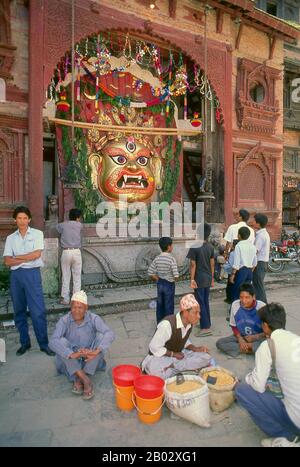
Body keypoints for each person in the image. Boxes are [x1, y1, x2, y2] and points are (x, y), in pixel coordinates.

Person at [235, 303, 300, 448]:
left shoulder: (267, 346)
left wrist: (246, 378)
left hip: (297, 420)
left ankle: (287, 436)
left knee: (242, 390)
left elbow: (257, 385)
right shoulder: (295, 338)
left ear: (265, 325)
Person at [3, 206, 54, 356]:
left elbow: (36, 254)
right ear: (15, 220)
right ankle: (24, 343)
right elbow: (7, 261)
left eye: (25, 218)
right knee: (19, 311)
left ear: (29, 219)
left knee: (37, 311)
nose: (22, 221)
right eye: (19, 218)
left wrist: (17, 257)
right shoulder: (11, 238)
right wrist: (25, 257)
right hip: (16, 277)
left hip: (32, 274)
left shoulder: (37, 234)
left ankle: (44, 344)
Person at [49, 290, 115, 400]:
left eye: (80, 308)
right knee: (61, 342)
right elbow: (52, 341)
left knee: (100, 337)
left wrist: (95, 351)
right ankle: (86, 379)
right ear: (70, 308)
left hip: (89, 358)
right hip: (72, 358)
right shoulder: (64, 320)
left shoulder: (93, 318)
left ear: (86, 308)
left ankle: (79, 378)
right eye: (74, 307)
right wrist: (70, 354)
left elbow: (110, 333)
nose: (76, 311)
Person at [141, 294, 215, 380]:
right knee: (157, 374)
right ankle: (179, 369)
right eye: (195, 313)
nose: (199, 316)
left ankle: (175, 368)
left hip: (178, 355)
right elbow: (154, 347)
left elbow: (183, 339)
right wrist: (173, 354)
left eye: (199, 313)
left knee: (206, 357)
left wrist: (194, 348)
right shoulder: (167, 325)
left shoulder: (189, 323)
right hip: (160, 357)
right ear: (185, 312)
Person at [216, 283, 266, 357]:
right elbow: (234, 326)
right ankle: (251, 349)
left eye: (247, 297)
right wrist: (240, 339)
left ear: (254, 297)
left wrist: (255, 337)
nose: (243, 300)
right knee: (220, 343)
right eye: (241, 297)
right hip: (242, 336)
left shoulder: (262, 306)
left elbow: (270, 330)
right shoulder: (235, 305)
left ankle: (247, 348)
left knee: (269, 343)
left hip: (258, 337)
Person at [187, 223, 215, 337]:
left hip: (199, 278)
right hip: (208, 278)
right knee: (205, 301)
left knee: (200, 302)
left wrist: (192, 279)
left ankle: (205, 327)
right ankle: (206, 322)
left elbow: (193, 265)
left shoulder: (194, 246)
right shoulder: (210, 247)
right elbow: (212, 264)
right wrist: (212, 279)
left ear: (198, 233)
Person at [148, 237, 179, 323]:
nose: (172, 247)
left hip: (160, 283)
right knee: (169, 305)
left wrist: (157, 278)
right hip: (169, 284)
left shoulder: (157, 258)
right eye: (172, 245)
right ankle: (168, 324)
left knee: (160, 304)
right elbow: (176, 275)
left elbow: (150, 272)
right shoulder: (171, 259)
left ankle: (160, 323)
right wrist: (174, 279)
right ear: (169, 247)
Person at [57, 208, 83, 305]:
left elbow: (57, 229)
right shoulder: (80, 225)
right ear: (78, 218)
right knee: (77, 276)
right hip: (76, 252)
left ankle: (65, 299)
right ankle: (76, 300)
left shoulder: (62, 225)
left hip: (66, 252)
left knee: (66, 275)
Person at [230, 227, 257, 302]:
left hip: (241, 271)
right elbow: (255, 263)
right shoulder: (253, 246)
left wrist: (233, 274)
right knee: (247, 293)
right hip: (249, 271)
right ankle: (246, 308)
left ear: (239, 235)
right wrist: (250, 271)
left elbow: (236, 263)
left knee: (237, 292)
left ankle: (236, 309)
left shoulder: (238, 246)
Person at [253, 213, 270, 304]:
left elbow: (255, 250)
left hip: (260, 263)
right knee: (257, 285)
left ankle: (264, 305)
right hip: (262, 263)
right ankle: (259, 305)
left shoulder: (261, 236)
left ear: (258, 223)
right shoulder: (263, 233)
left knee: (259, 286)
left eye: (254, 221)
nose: (253, 222)